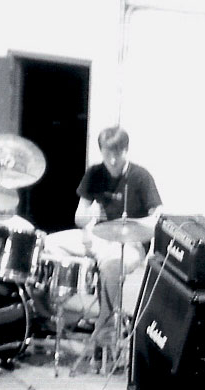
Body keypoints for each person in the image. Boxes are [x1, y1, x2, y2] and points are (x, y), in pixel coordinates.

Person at [45, 126, 162, 354]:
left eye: (118, 153)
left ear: (126, 150)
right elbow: (80, 216)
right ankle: (55, 316)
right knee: (49, 244)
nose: (113, 159)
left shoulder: (141, 176)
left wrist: (138, 228)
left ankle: (105, 334)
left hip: (131, 244)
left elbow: (156, 214)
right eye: (107, 154)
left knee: (111, 267)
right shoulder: (95, 173)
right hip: (100, 236)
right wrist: (89, 221)